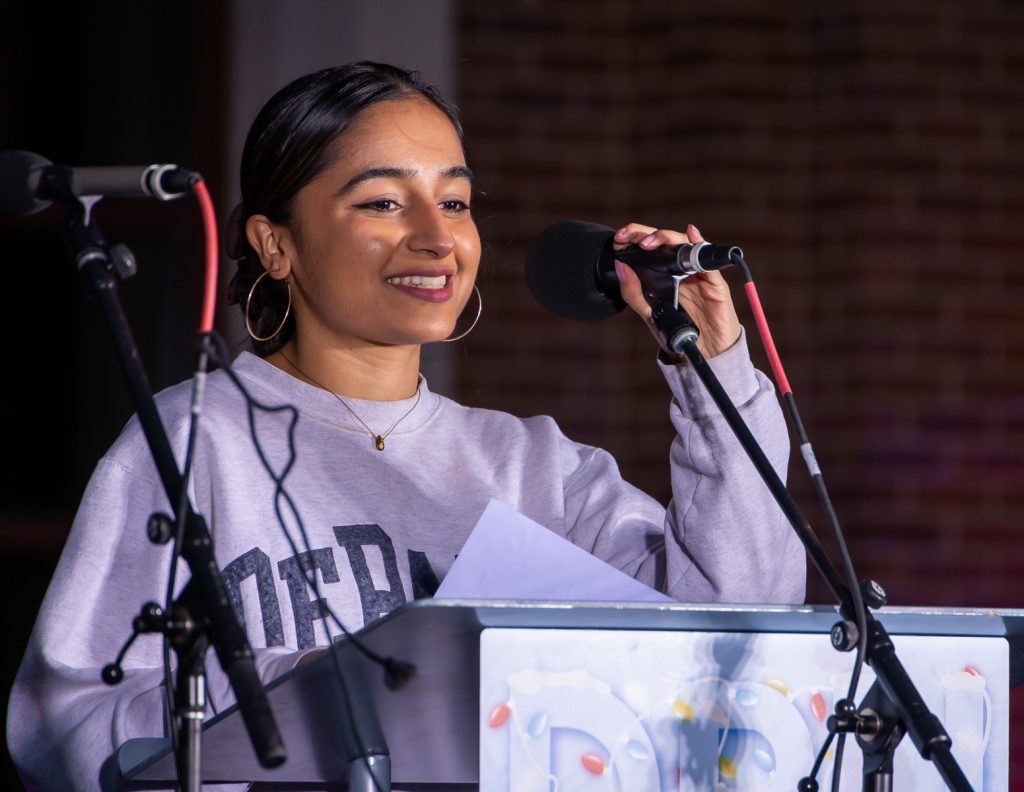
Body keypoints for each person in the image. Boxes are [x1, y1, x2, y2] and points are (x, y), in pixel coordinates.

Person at [7, 62, 805, 790]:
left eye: (454, 201)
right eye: (384, 202)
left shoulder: (538, 466)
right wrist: (308, 691)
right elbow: (62, 725)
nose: (436, 237)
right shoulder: (188, 439)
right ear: (274, 244)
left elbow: (745, 623)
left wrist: (715, 367)